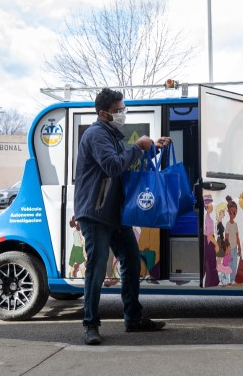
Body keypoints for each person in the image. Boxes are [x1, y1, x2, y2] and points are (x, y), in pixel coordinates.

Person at [74, 88, 170, 345]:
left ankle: (133, 318)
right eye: (118, 110)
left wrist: (150, 149)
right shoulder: (96, 134)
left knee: (131, 259)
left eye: (123, 109)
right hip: (96, 214)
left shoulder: (111, 135)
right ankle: (91, 325)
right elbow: (113, 165)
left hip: (115, 213)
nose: (123, 113)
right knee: (96, 270)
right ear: (103, 113)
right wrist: (138, 146)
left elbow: (124, 162)